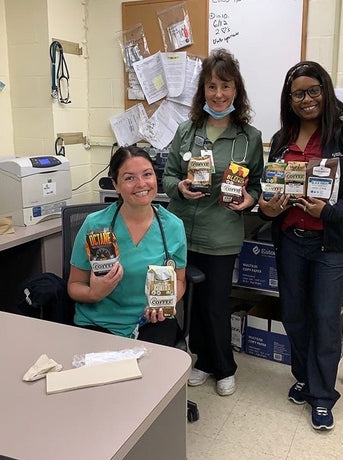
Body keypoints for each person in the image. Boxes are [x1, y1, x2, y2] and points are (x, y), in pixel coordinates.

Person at [258, 61, 343, 430]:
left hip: (331, 245)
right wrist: (269, 205)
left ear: (325, 91)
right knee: (293, 314)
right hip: (292, 240)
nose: (306, 99)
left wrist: (335, 210)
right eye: (298, 93)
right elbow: (270, 186)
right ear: (288, 99)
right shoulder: (282, 139)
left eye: (313, 91)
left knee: (325, 319)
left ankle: (323, 396)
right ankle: (304, 377)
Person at [162, 48, 264, 396]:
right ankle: (202, 361)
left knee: (216, 304)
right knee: (190, 301)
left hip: (221, 233)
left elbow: (257, 184)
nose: (218, 94)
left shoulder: (249, 137)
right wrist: (179, 187)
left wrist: (249, 199)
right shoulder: (186, 131)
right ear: (202, 91)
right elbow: (168, 174)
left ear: (237, 89)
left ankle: (223, 366)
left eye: (225, 85)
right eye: (211, 86)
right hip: (184, 233)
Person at [67, 146, 187, 346]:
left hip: (150, 321)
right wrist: (94, 293)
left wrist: (166, 304)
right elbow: (74, 285)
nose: (141, 184)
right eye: (129, 178)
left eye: (147, 174)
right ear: (116, 184)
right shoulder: (95, 225)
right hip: (99, 322)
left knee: (156, 373)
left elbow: (180, 282)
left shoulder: (173, 226)